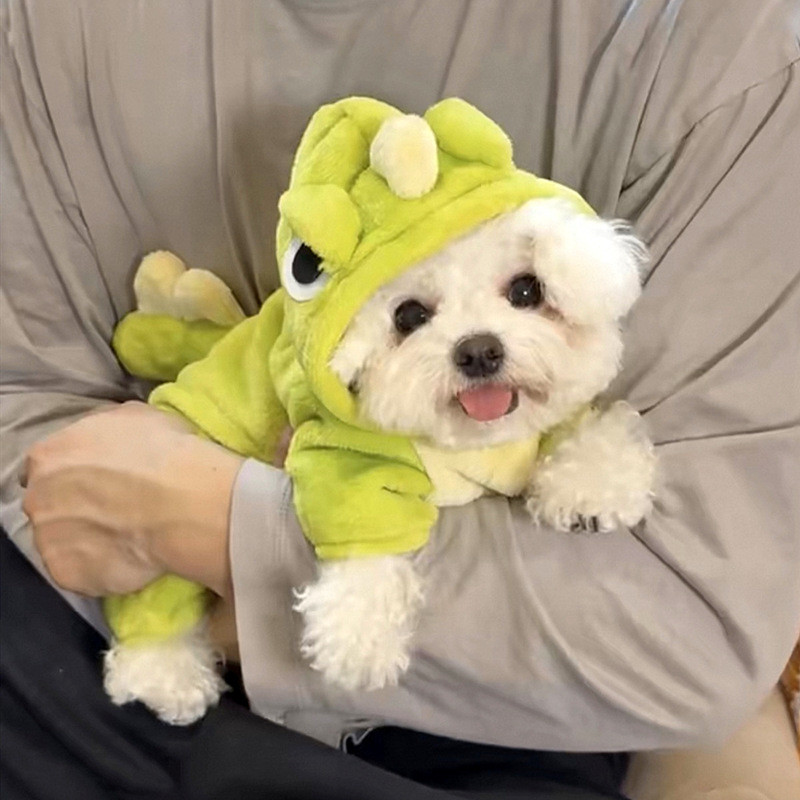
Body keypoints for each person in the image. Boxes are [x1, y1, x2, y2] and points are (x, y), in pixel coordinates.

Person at [2, 1, 798, 798]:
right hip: (93, 646)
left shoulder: (723, 52)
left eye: (523, 292)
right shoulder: (43, 30)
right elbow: (27, 410)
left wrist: (220, 529)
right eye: (414, 315)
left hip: (489, 731)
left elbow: (691, 628)